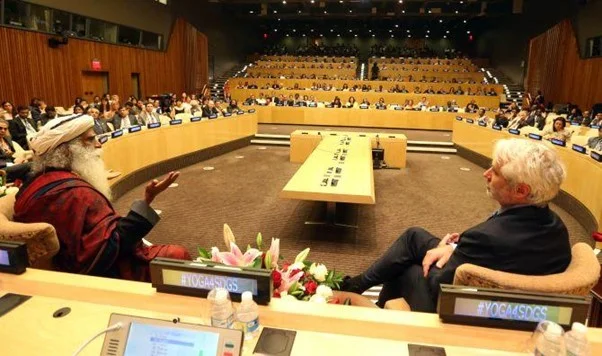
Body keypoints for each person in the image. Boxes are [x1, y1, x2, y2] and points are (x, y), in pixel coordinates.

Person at [341, 139, 570, 312]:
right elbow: (500, 254)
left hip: (467, 310)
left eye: (495, 172)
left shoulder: (486, 237)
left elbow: (439, 284)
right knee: (414, 237)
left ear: (521, 191)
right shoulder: (556, 226)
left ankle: (377, 317)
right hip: (516, 304)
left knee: (407, 267)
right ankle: (357, 285)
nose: (485, 174)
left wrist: (452, 251)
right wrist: (452, 249)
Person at [13, 114, 191, 281]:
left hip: (73, 267)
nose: (99, 144)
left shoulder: (37, 181)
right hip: (96, 275)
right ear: (66, 151)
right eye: (90, 139)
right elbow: (106, 250)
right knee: (177, 256)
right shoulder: (75, 194)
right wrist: (145, 206)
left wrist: (146, 199)